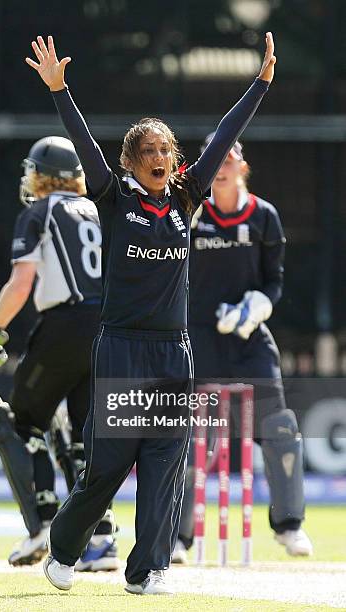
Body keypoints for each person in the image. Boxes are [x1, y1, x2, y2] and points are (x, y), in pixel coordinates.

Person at [25, 33, 275, 595]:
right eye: (149, 153)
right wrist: (61, 91)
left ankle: (149, 569)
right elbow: (83, 141)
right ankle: (63, 549)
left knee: (166, 460)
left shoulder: (186, 198)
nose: (161, 158)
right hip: (120, 346)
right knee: (109, 467)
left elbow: (227, 135)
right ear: (132, 162)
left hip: (171, 350)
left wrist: (259, 85)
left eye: (166, 151)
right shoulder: (115, 199)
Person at [0, 136, 119, 570]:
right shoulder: (101, 210)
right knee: (83, 434)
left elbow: (21, 283)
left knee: (23, 421)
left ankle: (44, 525)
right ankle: (100, 539)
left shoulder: (39, 211)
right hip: (108, 329)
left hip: (65, 325)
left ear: (46, 177)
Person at [172, 136, 312, 564]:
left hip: (250, 338)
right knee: (186, 436)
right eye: (215, 159)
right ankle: (178, 536)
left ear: (242, 164)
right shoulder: (193, 213)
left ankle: (289, 526)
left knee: (280, 428)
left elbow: (275, 280)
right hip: (198, 336)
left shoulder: (264, 216)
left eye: (230, 156)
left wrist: (258, 307)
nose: (222, 165)